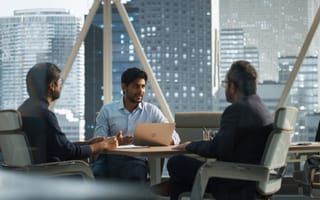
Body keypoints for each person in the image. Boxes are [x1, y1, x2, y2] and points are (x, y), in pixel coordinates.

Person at [166, 60, 274, 200]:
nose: (225, 88)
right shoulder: (263, 109)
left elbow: (216, 150)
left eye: (225, 84)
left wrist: (190, 145)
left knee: (176, 162)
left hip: (233, 180)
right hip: (253, 181)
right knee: (179, 185)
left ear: (233, 87)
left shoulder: (237, 110)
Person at [92, 67, 180, 182]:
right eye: (136, 86)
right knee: (97, 174)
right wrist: (116, 141)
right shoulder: (107, 111)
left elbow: (175, 136)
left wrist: (167, 139)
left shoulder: (151, 111)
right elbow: (98, 139)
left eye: (143, 86)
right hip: (110, 159)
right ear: (124, 87)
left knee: (134, 173)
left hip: (136, 160)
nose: (140, 91)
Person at [18, 62, 118, 164]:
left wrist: (88, 143)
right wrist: (103, 145)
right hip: (49, 172)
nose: (61, 85)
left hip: (30, 172)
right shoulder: (44, 115)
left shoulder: (21, 112)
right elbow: (67, 152)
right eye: (60, 81)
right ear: (52, 85)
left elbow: (59, 146)